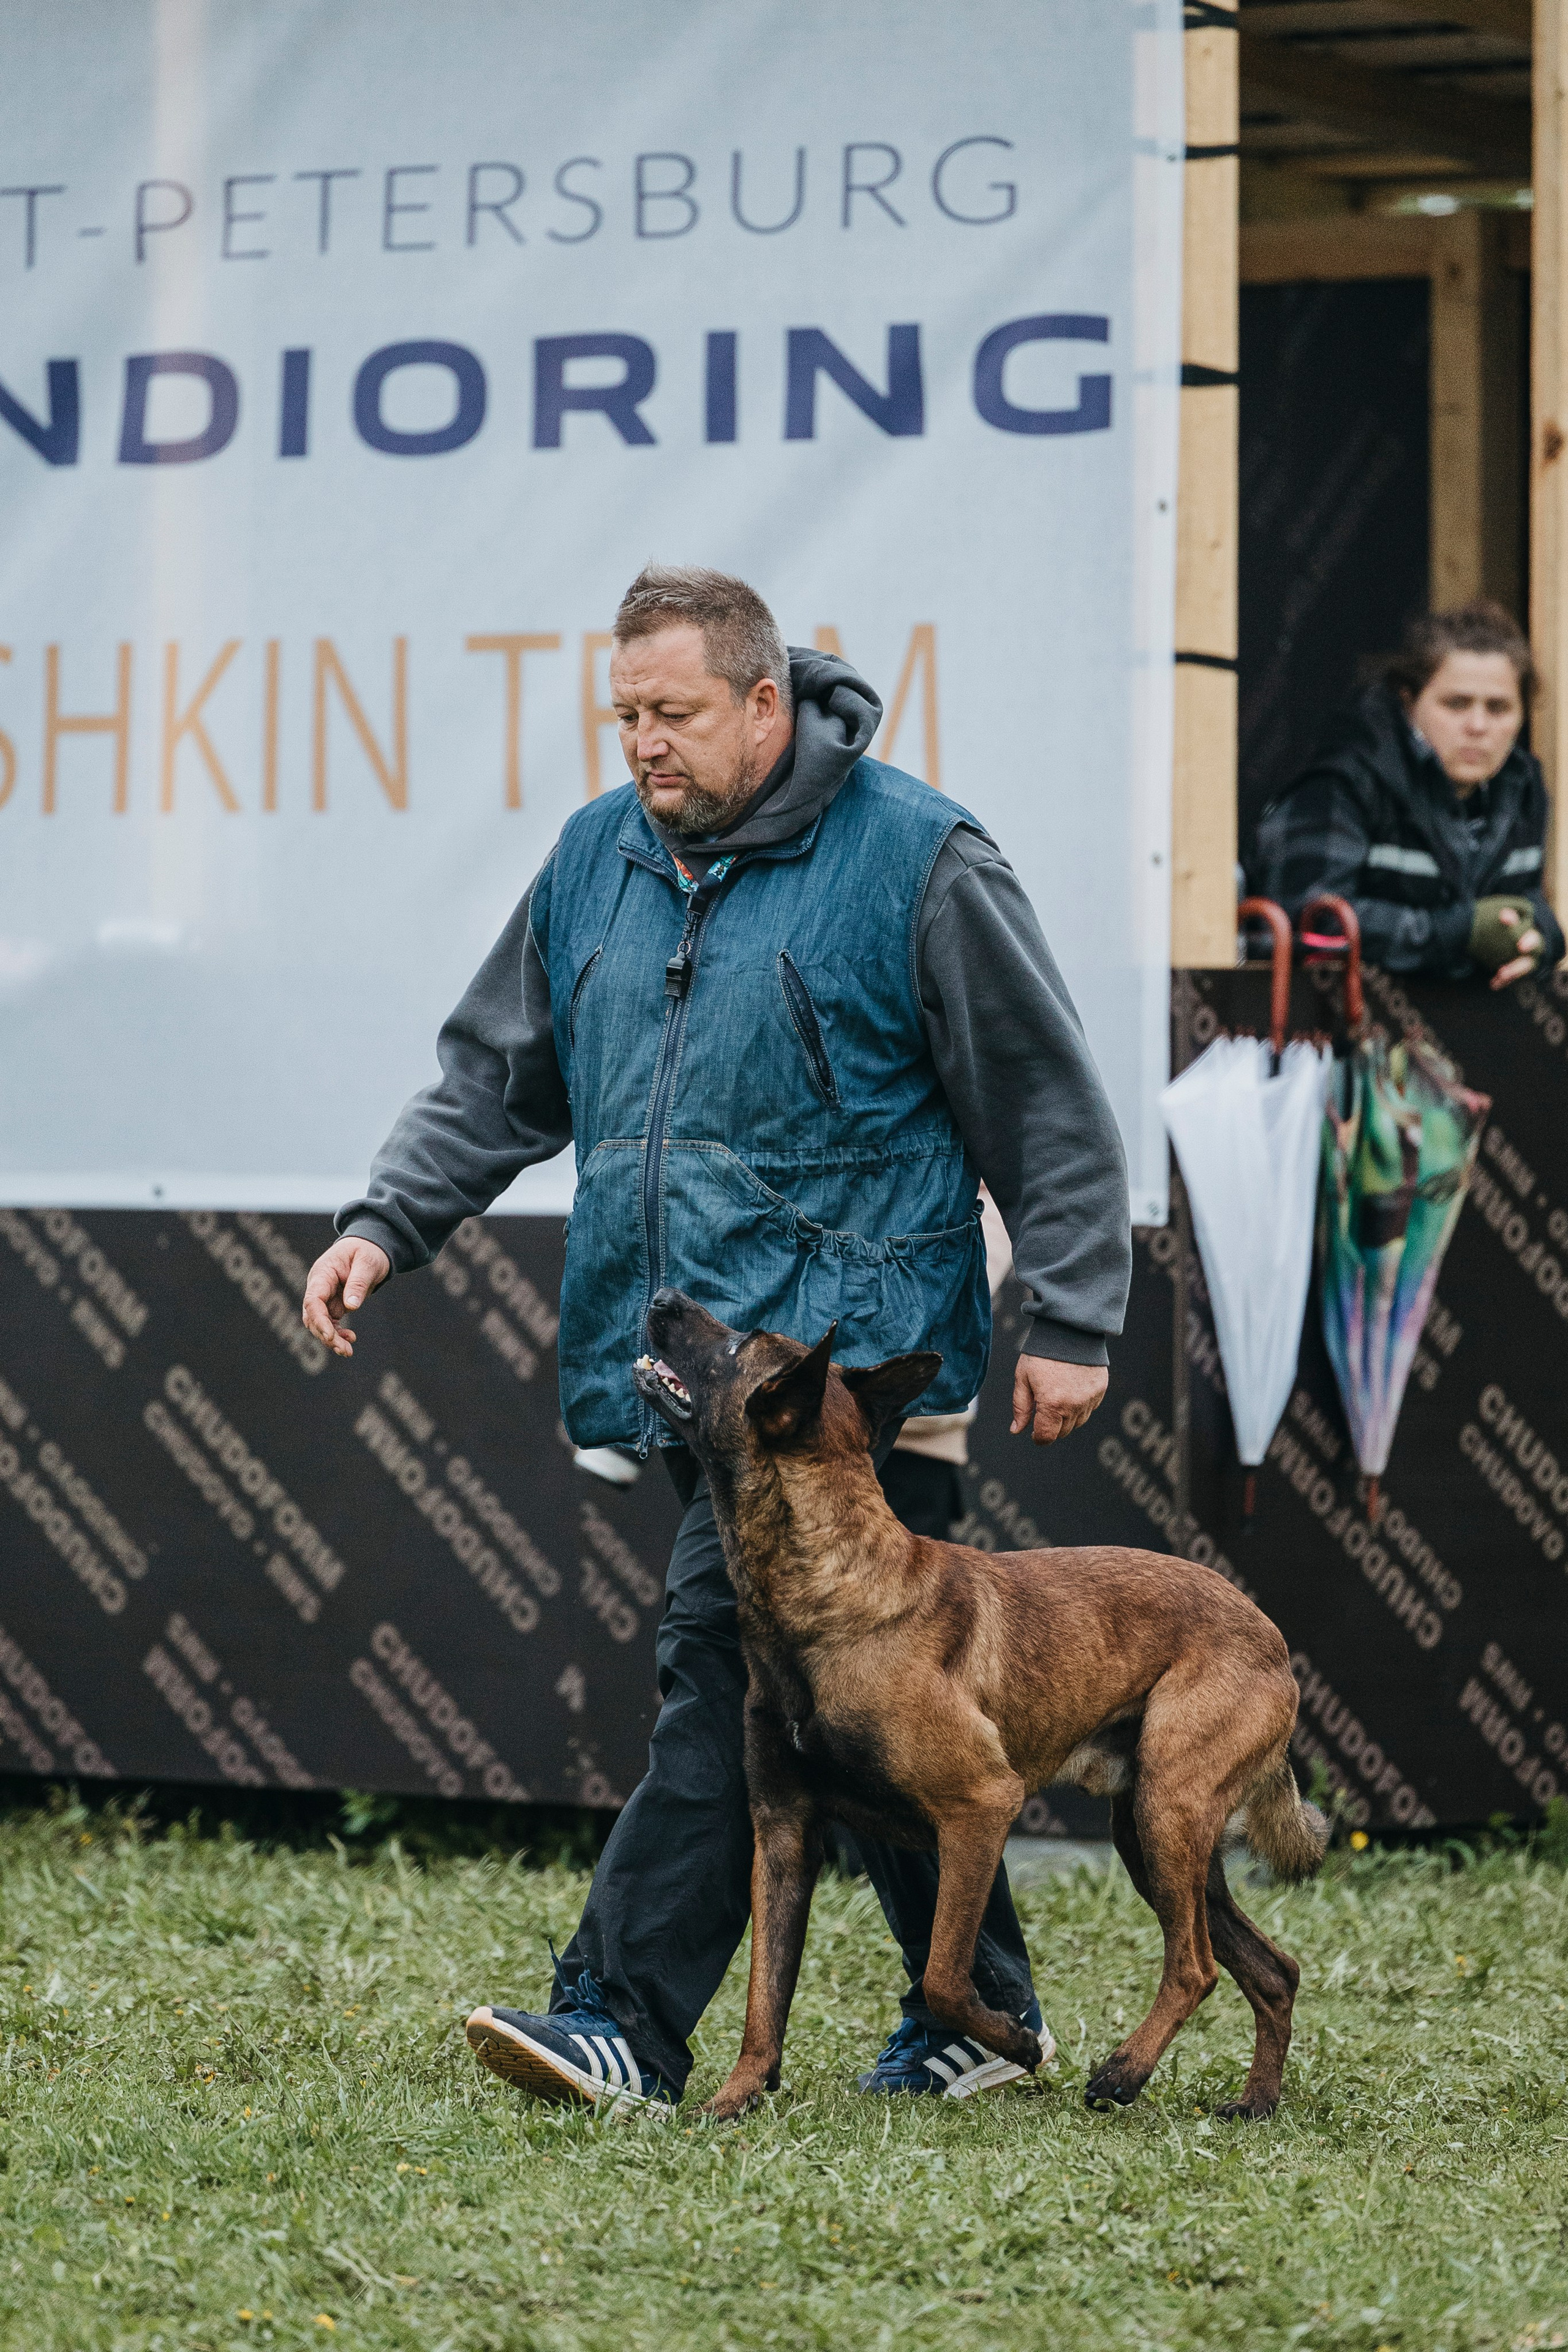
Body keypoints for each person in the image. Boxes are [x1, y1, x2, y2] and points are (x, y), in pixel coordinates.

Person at [302, 565, 1131, 2111]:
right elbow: (499, 1077)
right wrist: (382, 1219)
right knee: (870, 1714)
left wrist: (1073, 1309)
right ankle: (977, 2010)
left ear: (765, 702)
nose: (640, 744)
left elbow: (1042, 1097)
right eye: (623, 713)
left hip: (852, 1380)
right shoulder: (592, 858)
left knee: (732, 1680)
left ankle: (618, 2018)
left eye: (670, 711)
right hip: (696, 1378)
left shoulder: (916, 856)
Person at [1252, 600, 1564, 987]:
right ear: (1408, 701)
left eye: (1498, 708)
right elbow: (1308, 920)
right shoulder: (1346, 782)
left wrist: (1541, 944)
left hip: (1468, 1036)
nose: (1478, 725)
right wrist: (1458, 933)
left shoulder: (1523, 787)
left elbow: (1528, 906)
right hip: (1335, 1035)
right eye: (1456, 704)